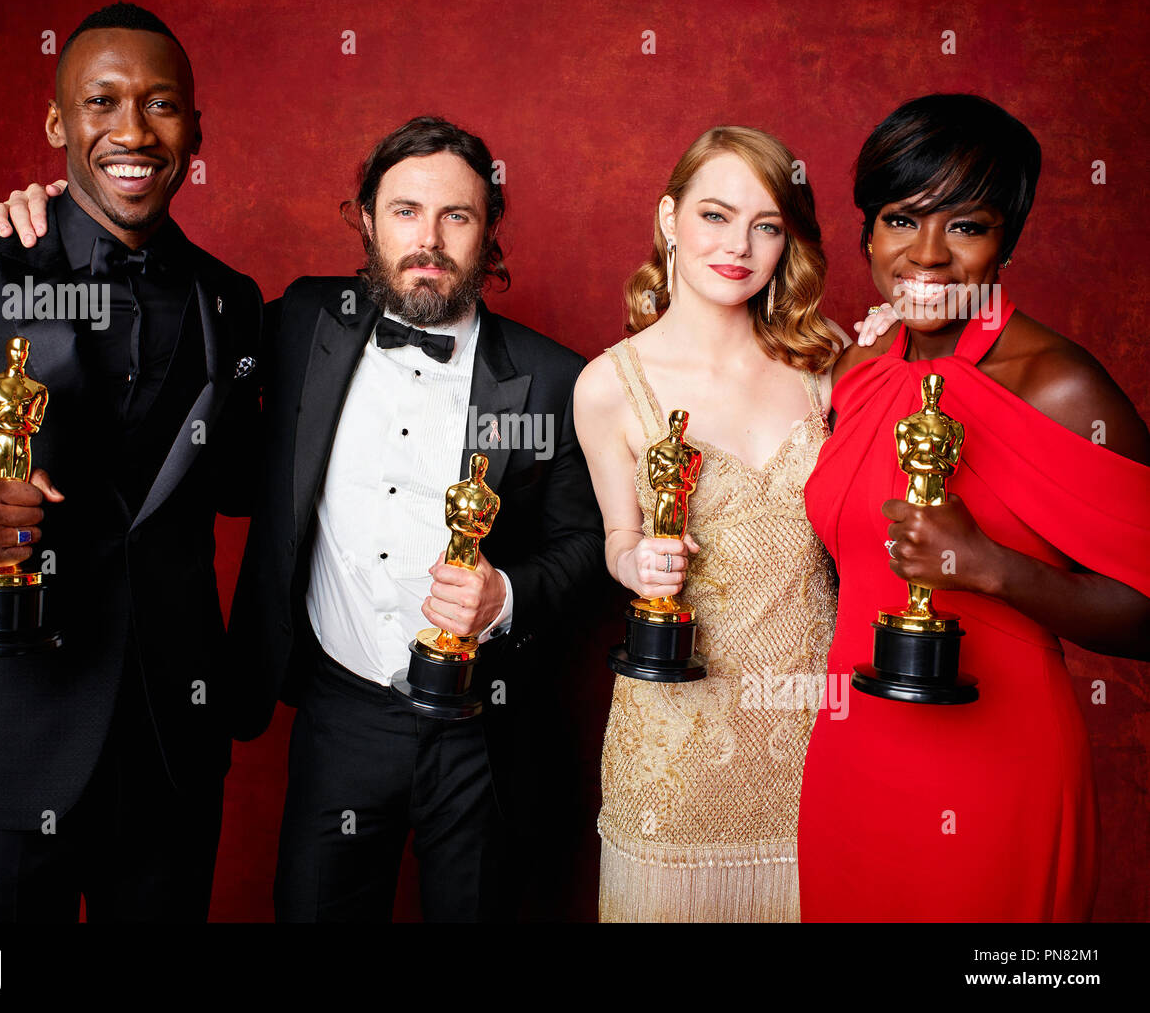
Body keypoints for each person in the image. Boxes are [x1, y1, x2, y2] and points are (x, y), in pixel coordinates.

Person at [0, 2, 263, 922]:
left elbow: (242, 483)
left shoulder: (233, 302)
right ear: (56, 124)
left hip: (169, 739)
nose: (131, 130)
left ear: (195, 130)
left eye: (160, 106)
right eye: (102, 102)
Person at [225, 116, 604, 921]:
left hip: (485, 731)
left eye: (455, 216)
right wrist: (45, 229)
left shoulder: (553, 378)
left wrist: (506, 596)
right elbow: (179, 308)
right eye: (404, 212)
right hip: (340, 711)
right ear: (365, 219)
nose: (427, 240)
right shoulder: (300, 321)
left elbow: (590, 546)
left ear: (488, 229)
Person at [797, 93, 1150, 922]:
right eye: (900, 219)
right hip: (854, 757)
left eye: (965, 226)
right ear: (866, 233)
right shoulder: (859, 371)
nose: (926, 255)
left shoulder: (1057, 384)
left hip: (998, 767)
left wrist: (990, 568)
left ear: (1007, 239)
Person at [574, 125, 895, 922]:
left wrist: (903, 352)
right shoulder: (608, 385)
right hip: (676, 746)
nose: (738, 246)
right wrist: (635, 563)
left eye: (766, 226)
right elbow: (617, 541)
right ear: (668, 218)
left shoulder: (826, 369)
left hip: (815, 731)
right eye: (715, 216)